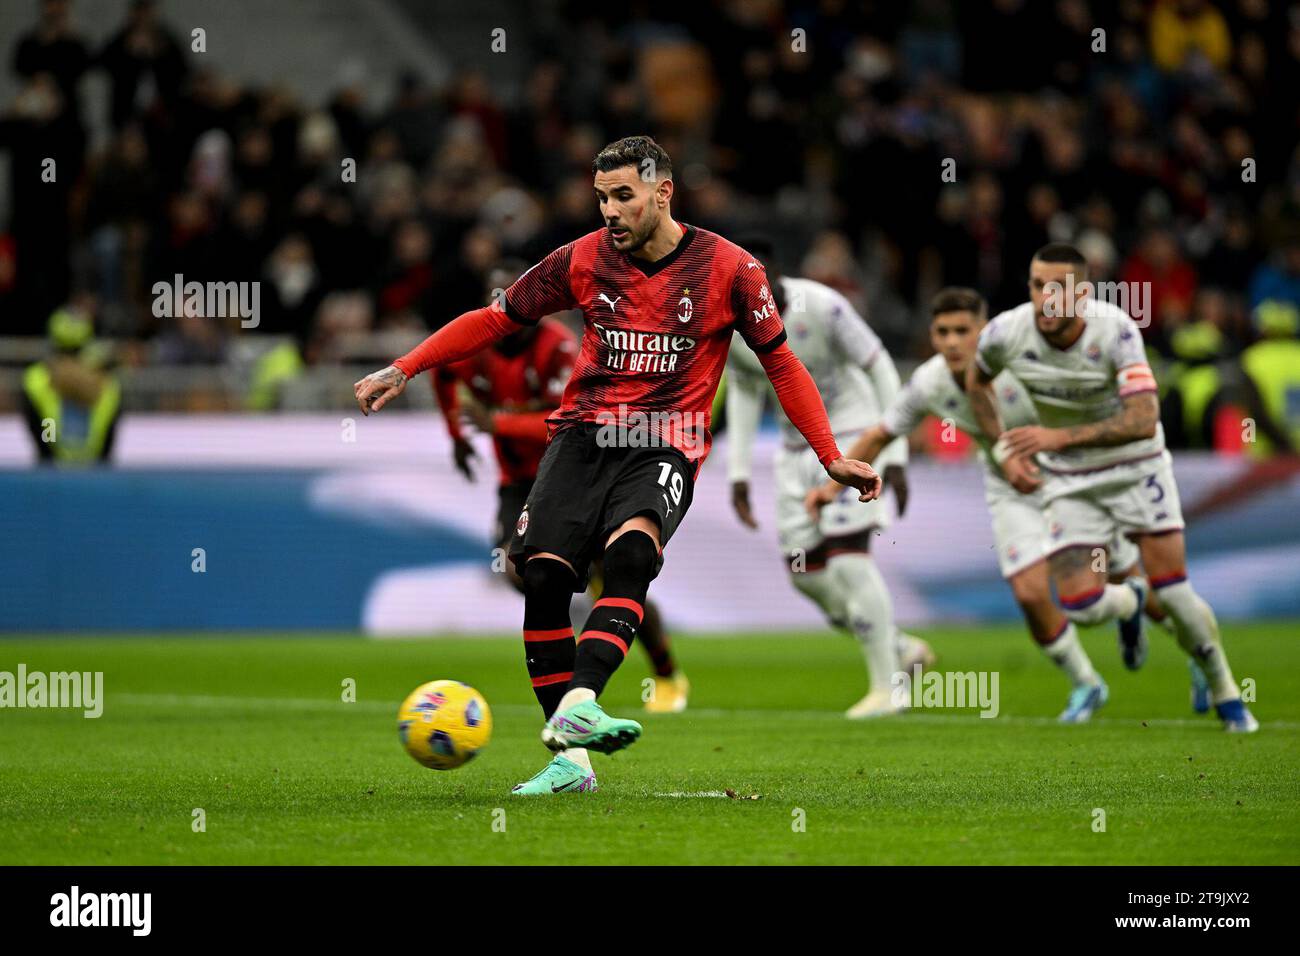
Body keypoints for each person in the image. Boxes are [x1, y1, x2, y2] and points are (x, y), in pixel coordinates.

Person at [354, 136, 880, 794]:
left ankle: (580, 704)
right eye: (601, 197)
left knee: (632, 554)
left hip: (667, 438)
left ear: (662, 193)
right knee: (543, 578)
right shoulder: (580, 261)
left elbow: (781, 363)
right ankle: (571, 762)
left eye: (623, 196)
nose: (608, 210)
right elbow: (493, 319)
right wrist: (405, 367)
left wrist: (832, 456)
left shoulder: (732, 270)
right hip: (582, 438)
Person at [807, 288, 1178, 722]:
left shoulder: (1024, 362)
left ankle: (1185, 642)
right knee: (1029, 592)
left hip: (1074, 481)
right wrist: (831, 488)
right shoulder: (929, 382)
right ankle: (1086, 683)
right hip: (1010, 490)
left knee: (1118, 581)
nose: (951, 342)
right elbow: (880, 433)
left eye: (962, 331)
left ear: (984, 331)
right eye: (942, 331)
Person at [965, 243, 1256, 732]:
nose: (1046, 299)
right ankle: (1132, 601)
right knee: (1080, 607)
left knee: (1178, 593)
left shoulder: (1116, 329)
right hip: (1069, 480)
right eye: (1038, 286)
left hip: (1136, 468)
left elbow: (1144, 418)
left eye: (1058, 289)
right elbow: (977, 382)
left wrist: (1055, 437)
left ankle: (1225, 688)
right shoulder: (1004, 333)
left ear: (1083, 293)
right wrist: (1002, 448)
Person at [435, 260, 690, 712]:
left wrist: (498, 423)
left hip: (581, 473)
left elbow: (563, 425)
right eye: (497, 301)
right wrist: (456, 438)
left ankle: (667, 673)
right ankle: (569, 691)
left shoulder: (559, 347)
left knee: (618, 572)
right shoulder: (478, 346)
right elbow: (442, 371)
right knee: (522, 572)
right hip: (520, 481)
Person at [726, 239, 932, 718]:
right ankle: (900, 648)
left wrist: (895, 449)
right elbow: (743, 392)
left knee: (849, 563)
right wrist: (738, 475)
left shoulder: (824, 307)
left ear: (775, 275)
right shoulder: (732, 326)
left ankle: (888, 689)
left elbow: (878, 363)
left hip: (852, 440)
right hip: (795, 453)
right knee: (805, 574)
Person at [22, 306, 121, 465]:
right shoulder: (108, 383)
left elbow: (42, 433)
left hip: (50, 474)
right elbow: (107, 440)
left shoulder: (36, 380)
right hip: (96, 475)